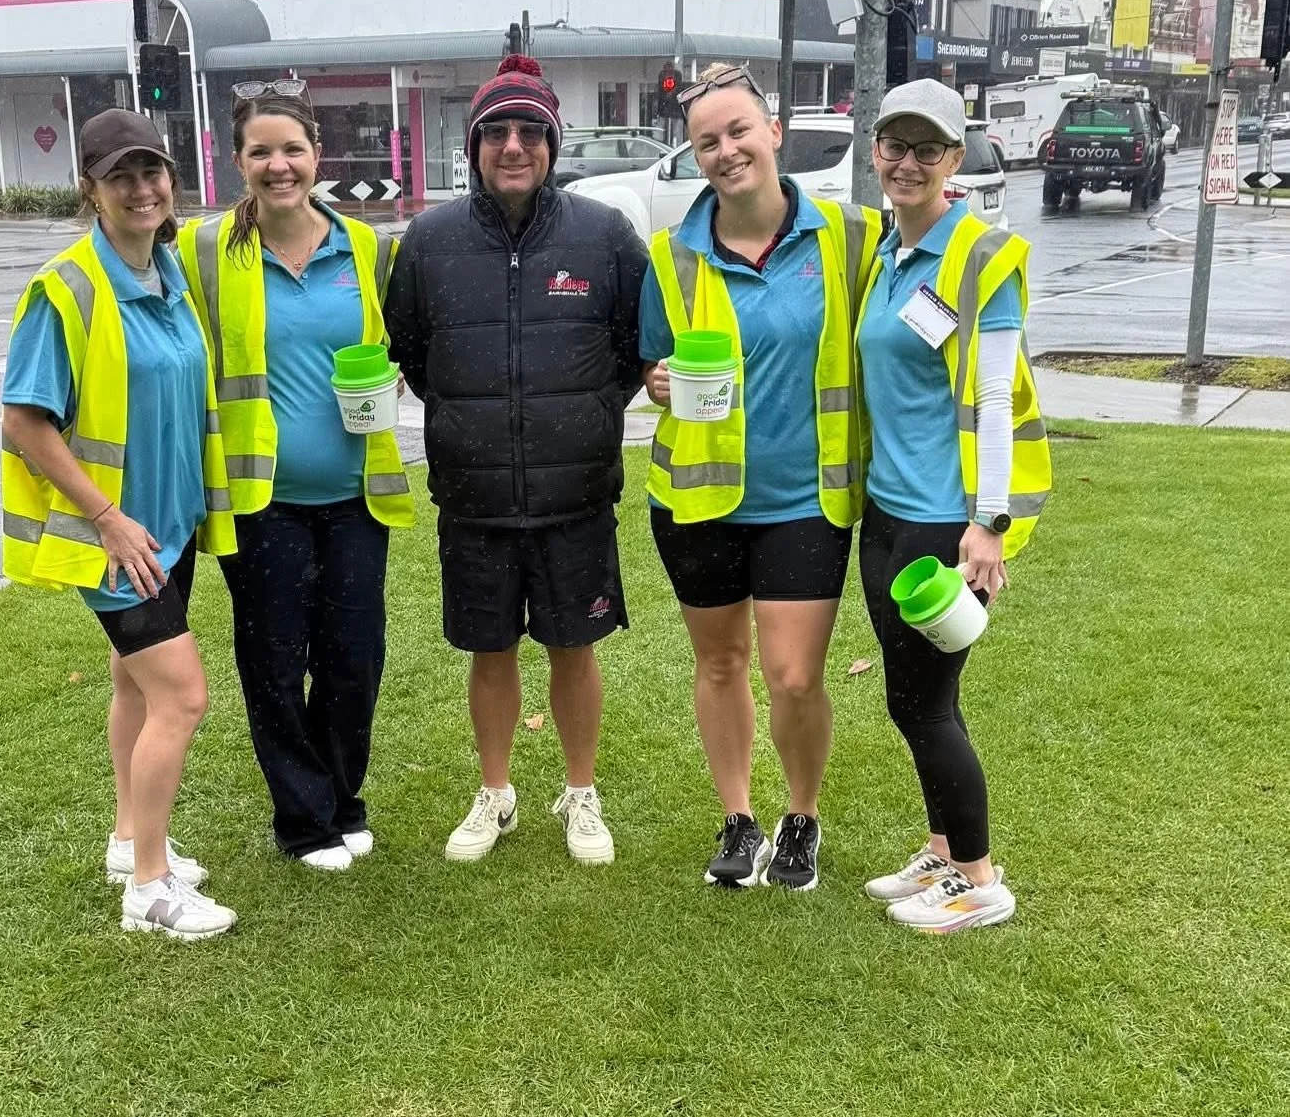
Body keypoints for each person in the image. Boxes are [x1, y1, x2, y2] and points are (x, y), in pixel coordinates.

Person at [386, 54, 649, 865]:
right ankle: (495, 792)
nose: (511, 145)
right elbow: (412, 353)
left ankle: (581, 791)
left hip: (575, 494)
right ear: (472, 146)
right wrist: (474, 422)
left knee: (575, 646)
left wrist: (594, 410)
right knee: (488, 649)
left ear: (551, 142)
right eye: (494, 131)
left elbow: (637, 348)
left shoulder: (603, 235)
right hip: (473, 496)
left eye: (528, 130)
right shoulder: (427, 242)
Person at [638, 63, 881, 890]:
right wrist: (657, 381)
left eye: (739, 130)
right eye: (707, 141)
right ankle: (739, 817)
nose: (726, 150)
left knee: (795, 674)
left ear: (774, 132)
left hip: (806, 498)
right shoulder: (671, 256)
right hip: (698, 496)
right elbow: (652, 358)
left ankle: (802, 815)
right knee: (719, 664)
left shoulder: (852, 236)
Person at [0, 108, 239, 940]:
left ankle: (130, 836)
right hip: (117, 543)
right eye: (121, 176)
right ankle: (150, 887)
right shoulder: (66, 288)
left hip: (171, 532)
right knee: (183, 695)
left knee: (134, 685)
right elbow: (24, 424)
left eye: (153, 172)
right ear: (90, 190)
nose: (142, 189)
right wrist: (107, 519)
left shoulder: (168, 275)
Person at [177, 82, 413, 873]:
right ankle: (303, 818)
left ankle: (344, 799)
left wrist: (391, 383)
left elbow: (398, 352)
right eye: (260, 152)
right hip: (260, 500)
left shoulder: (370, 248)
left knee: (354, 655)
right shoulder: (203, 252)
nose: (279, 166)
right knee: (275, 659)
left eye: (292, 149)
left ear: (317, 154)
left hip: (356, 494)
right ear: (236, 161)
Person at [854, 78, 1052, 932]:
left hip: (946, 521)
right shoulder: (889, 255)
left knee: (927, 703)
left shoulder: (978, 257)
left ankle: (978, 878)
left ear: (953, 161)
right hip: (887, 513)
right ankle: (941, 849)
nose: (906, 162)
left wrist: (989, 523)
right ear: (874, 153)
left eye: (925, 149)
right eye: (894, 145)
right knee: (912, 697)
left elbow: (996, 399)